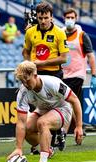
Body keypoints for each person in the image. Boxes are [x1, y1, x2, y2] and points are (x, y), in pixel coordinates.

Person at [7, 61, 83, 162]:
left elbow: (75, 100)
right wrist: (19, 148)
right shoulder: (23, 92)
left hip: (63, 109)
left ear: (35, 75)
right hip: (43, 109)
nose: (25, 85)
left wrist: (79, 126)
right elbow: (21, 123)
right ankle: (48, 149)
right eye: (22, 82)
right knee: (27, 127)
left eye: (27, 80)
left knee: (42, 122)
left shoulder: (53, 83)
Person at [22, 2, 69, 154]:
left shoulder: (60, 33)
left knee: (54, 109)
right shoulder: (30, 32)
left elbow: (63, 58)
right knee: (37, 110)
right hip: (36, 75)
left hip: (54, 75)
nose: (43, 21)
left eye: (46, 18)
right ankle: (42, 145)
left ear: (51, 17)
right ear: (37, 17)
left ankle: (60, 133)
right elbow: (26, 51)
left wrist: (42, 62)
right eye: (40, 18)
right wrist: (29, 64)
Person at [54, 8, 96, 147]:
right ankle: (79, 130)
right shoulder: (59, 33)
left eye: (72, 17)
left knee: (66, 102)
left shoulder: (82, 35)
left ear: (76, 18)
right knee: (71, 104)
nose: (70, 20)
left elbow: (90, 56)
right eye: (67, 17)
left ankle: (62, 135)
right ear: (63, 17)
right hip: (62, 74)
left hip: (77, 75)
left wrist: (94, 75)